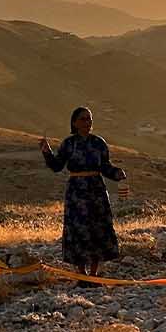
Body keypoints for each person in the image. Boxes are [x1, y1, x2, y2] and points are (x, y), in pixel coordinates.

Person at [39, 106, 130, 284]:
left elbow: (105, 166)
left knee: (98, 227)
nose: (87, 122)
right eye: (83, 119)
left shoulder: (99, 143)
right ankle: (81, 274)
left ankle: (94, 275)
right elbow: (57, 166)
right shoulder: (68, 144)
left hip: (96, 191)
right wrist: (46, 152)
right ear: (74, 122)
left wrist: (117, 173)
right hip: (76, 193)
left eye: (89, 119)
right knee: (78, 229)